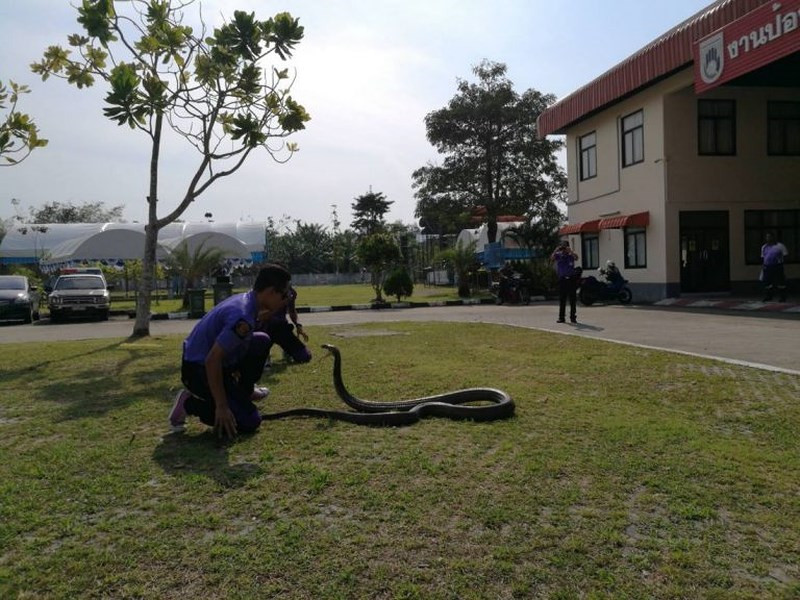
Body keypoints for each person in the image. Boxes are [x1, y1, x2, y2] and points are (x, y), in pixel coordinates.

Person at [169, 263, 291, 438]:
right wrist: (221, 406)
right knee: (250, 421)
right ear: (271, 292)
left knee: (261, 341)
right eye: (284, 294)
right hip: (198, 369)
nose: (286, 300)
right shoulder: (242, 316)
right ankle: (188, 404)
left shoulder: (248, 301)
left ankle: (244, 392)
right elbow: (212, 360)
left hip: (213, 362)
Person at [260, 284, 312, 364]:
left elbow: (292, 310)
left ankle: (287, 351)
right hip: (264, 327)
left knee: (305, 357)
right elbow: (261, 315)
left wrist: (298, 325)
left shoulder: (290, 291)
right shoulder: (264, 291)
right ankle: (263, 354)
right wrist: (281, 303)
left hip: (281, 328)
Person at [550, 240, 579, 323]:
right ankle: (561, 317)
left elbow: (576, 258)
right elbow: (552, 258)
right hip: (562, 279)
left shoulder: (571, 255)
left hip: (571, 279)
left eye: (565, 247)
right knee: (562, 299)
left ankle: (573, 317)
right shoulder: (558, 255)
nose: (563, 249)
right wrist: (556, 250)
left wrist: (571, 251)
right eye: (562, 247)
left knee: (572, 300)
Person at [761, 233, 788, 302]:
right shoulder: (764, 247)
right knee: (767, 283)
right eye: (767, 237)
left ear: (773, 237)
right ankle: (768, 296)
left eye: (770, 237)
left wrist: (782, 264)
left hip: (777, 266)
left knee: (780, 282)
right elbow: (763, 257)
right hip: (767, 267)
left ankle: (782, 297)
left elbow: (785, 255)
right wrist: (763, 266)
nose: (768, 238)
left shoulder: (780, 246)